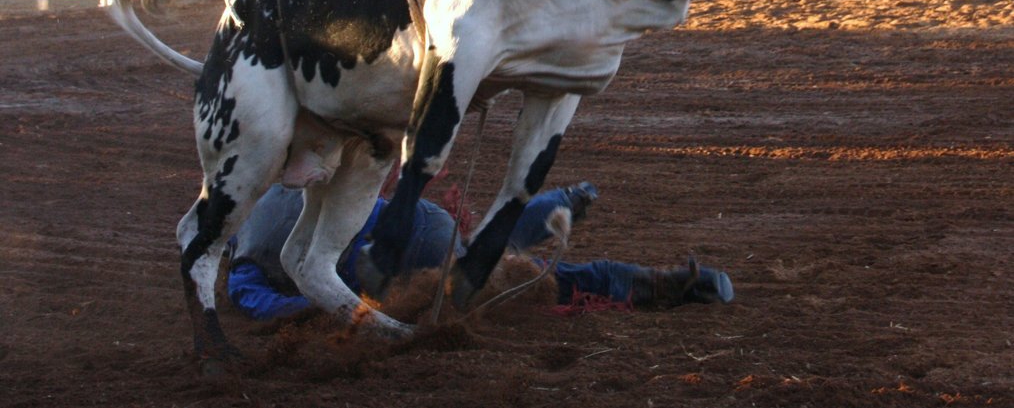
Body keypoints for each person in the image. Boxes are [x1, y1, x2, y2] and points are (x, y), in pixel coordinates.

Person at [227, 183, 734, 321]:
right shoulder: (285, 186)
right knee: (490, 251)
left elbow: (261, 305)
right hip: (418, 223)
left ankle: (664, 284)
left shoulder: (245, 262)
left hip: (405, 260)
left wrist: (342, 309)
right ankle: (561, 201)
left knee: (522, 276)